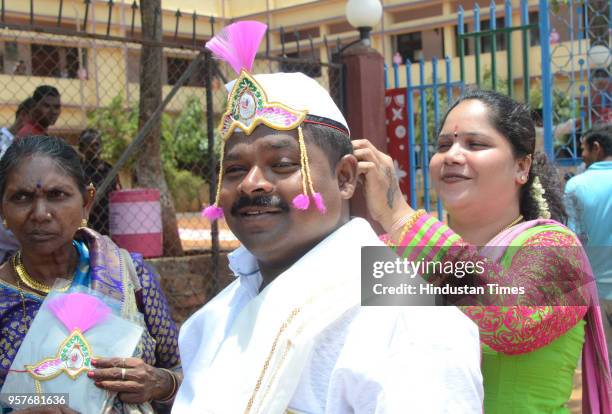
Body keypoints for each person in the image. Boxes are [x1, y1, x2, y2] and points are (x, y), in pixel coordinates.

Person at [174, 21, 483, 413]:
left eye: (282, 164)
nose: (252, 183)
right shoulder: (208, 324)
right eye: (234, 169)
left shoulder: (404, 321)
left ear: (345, 178)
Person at [353, 89, 611, 413]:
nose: (452, 156)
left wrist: (400, 216)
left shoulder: (558, 249)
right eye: (443, 145)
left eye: (475, 144)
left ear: (521, 166)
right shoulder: (405, 249)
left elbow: (512, 321)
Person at [0, 136, 181, 412]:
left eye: (57, 195)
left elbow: (180, 370)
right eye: (21, 197)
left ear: (87, 202)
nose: (40, 214)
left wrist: (159, 383)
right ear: (3, 210)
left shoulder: (129, 277)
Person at [565, 124, 612, 358]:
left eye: (583, 148)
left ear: (597, 148)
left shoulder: (576, 186)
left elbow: (572, 242)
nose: (581, 155)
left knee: (602, 364)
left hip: (596, 291)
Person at [78, 128, 121, 235]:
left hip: (110, 223)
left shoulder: (110, 169)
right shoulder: (78, 172)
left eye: (97, 145)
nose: (94, 148)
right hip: (88, 223)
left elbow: (119, 193)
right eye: (90, 145)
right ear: (82, 149)